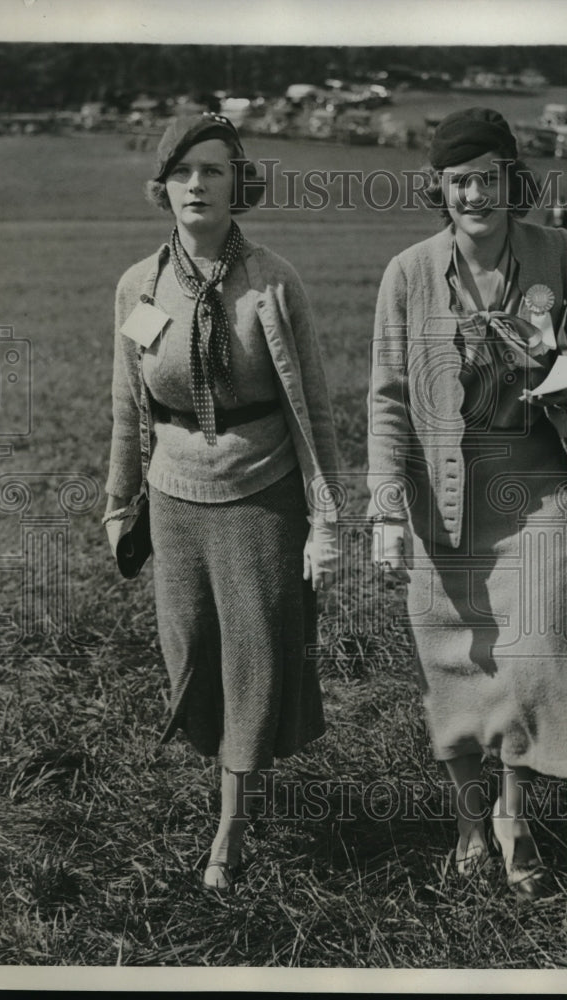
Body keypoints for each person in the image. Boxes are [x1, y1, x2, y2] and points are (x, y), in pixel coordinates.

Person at [368, 108, 567, 898]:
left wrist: (550, 369)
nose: (474, 194)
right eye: (458, 180)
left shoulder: (559, 252)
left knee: (537, 654)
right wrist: (384, 511)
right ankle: (470, 822)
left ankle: (514, 820)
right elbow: (388, 398)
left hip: (535, 477)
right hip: (444, 490)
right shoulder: (407, 272)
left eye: (487, 178)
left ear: (512, 180)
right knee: (457, 661)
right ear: (439, 188)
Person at [104, 113, 340, 892]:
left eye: (212, 170)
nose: (197, 185)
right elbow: (126, 408)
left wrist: (326, 516)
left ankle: (230, 824)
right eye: (182, 172)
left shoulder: (273, 282)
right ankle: (228, 785)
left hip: (261, 492)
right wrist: (117, 506)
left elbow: (314, 408)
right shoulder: (138, 286)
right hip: (174, 497)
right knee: (194, 651)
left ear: (238, 182)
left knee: (255, 656)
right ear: (162, 188)